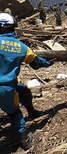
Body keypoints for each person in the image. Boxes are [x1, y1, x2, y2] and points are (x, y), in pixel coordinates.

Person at [0, 13, 54, 150]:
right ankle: (24, 138)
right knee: (14, 113)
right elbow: (36, 62)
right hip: (6, 89)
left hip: (7, 87)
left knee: (23, 90)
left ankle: (32, 111)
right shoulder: (21, 47)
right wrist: (48, 63)